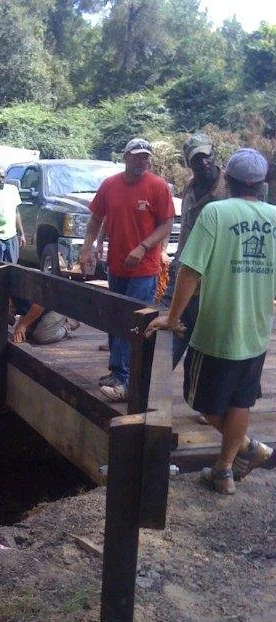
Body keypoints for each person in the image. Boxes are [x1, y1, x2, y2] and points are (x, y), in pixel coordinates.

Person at [146, 148, 276, 495]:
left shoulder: (216, 213)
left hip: (216, 331)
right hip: (257, 331)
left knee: (199, 400)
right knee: (240, 402)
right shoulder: (275, 218)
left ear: (228, 179)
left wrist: (172, 319)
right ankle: (224, 470)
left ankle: (245, 450)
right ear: (261, 184)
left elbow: (190, 270)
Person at [78, 138, 175, 402]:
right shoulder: (110, 185)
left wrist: (144, 247)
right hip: (116, 266)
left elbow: (166, 225)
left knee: (134, 320)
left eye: (145, 157)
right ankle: (117, 371)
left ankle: (125, 379)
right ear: (125, 158)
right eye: (136, 157)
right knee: (114, 318)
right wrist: (87, 249)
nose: (141, 161)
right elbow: (96, 219)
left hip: (144, 268)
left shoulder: (157, 187)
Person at [162, 133, 228, 369]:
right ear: (188, 163)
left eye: (206, 156)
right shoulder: (190, 186)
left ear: (214, 154)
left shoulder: (229, 190)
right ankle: (147, 391)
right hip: (183, 271)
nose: (204, 163)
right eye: (196, 159)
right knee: (169, 334)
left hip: (213, 280)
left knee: (206, 345)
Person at [0, 296, 79, 346]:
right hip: (34, 311)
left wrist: (23, 325)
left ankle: (67, 325)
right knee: (28, 334)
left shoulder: (21, 293)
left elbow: (40, 304)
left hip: (54, 306)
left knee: (41, 337)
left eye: (8, 313)